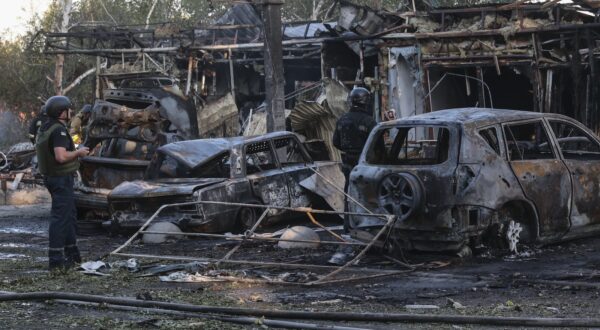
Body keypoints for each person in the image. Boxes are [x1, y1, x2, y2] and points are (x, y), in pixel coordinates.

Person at [35, 96, 90, 271]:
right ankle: (56, 260)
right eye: (68, 109)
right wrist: (78, 153)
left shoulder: (45, 126)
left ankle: (72, 255)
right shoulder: (58, 130)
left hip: (53, 177)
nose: (71, 112)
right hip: (60, 179)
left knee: (69, 215)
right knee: (60, 218)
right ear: (61, 112)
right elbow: (60, 156)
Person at [332, 87, 377, 229]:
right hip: (365, 163)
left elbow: (335, 142)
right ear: (366, 102)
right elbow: (377, 145)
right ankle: (367, 226)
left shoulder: (342, 120)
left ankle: (348, 226)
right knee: (368, 194)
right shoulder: (369, 121)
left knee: (349, 193)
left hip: (347, 162)